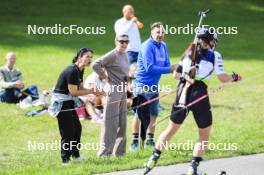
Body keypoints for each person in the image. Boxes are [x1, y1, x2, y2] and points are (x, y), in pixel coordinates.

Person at [144, 29, 242, 175]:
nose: (215, 44)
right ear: (209, 41)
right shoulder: (215, 55)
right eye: (214, 41)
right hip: (199, 94)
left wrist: (186, 75)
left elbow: (176, 75)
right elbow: (222, 77)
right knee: (204, 135)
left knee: (170, 130)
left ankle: (153, 158)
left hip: (182, 93)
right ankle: (193, 167)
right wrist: (234, 77)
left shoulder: (189, 52)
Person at [48, 48, 102, 165]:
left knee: (77, 129)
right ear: (79, 57)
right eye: (87, 56)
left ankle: (76, 155)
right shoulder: (72, 70)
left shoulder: (80, 69)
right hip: (62, 103)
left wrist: (94, 92)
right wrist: (91, 91)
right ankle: (65, 160)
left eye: (91, 57)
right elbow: (73, 92)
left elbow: (80, 88)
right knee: (67, 132)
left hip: (70, 102)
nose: (90, 59)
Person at [130, 22, 176, 151]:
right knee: (139, 114)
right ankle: (134, 142)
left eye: (162, 32)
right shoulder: (146, 46)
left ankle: (150, 140)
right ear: (151, 32)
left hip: (154, 85)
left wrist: (173, 67)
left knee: (153, 113)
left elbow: (167, 63)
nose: (160, 35)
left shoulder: (164, 46)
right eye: (157, 32)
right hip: (141, 85)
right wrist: (170, 69)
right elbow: (150, 68)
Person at [93, 34, 130, 157]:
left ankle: (119, 153)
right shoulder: (112, 54)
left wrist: (128, 78)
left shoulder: (125, 54)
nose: (124, 44)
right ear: (116, 41)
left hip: (123, 90)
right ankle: (104, 153)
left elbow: (122, 72)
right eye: (121, 41)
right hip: (113, 91)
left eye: (126, 41)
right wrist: (106, 78)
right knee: (110, 123)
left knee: (122, 122)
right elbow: (95, 65)